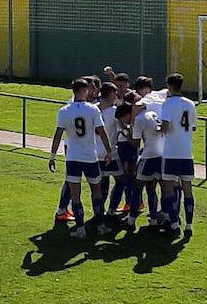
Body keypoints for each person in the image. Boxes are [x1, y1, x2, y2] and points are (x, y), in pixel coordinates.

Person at [49, 79, 113, 239]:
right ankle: (100, 226)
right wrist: (109, 151)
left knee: (75, 195)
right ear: (85, 90)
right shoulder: (92, 109)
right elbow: (102, 132)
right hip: (90, 157)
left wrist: (52, 156)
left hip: (73, 157)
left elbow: (57, 136)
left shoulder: (64, 111)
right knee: (96, 192)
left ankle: (80, 229)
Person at [160, 73, 196, 238]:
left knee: (168, 189)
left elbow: (165, 128)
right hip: (187, 153)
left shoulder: (168, 104)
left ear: (169, 86)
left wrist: (157, 127)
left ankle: (174, 224)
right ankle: (189, 225)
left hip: (172, 152)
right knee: (187, 190)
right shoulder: (190, 104)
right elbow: (193, 127)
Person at [123, 100, 164, 231]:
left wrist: (126, 132)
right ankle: (153, 220)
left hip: (148, 156)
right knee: (152, 189)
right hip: (160, 154)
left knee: (137, 188)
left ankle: (131, 221)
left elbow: (135, 143)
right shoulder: (152, 114)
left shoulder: (139, 119)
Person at [96, 82, 124, 219]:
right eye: (115, 93)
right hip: (110, 153)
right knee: (120, 180)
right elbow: (122, 127)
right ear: (111, 94)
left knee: (101, 183)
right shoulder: (113, 111)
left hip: (95, 153)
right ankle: (111, 210)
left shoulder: (93, 108)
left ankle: (99, 212)